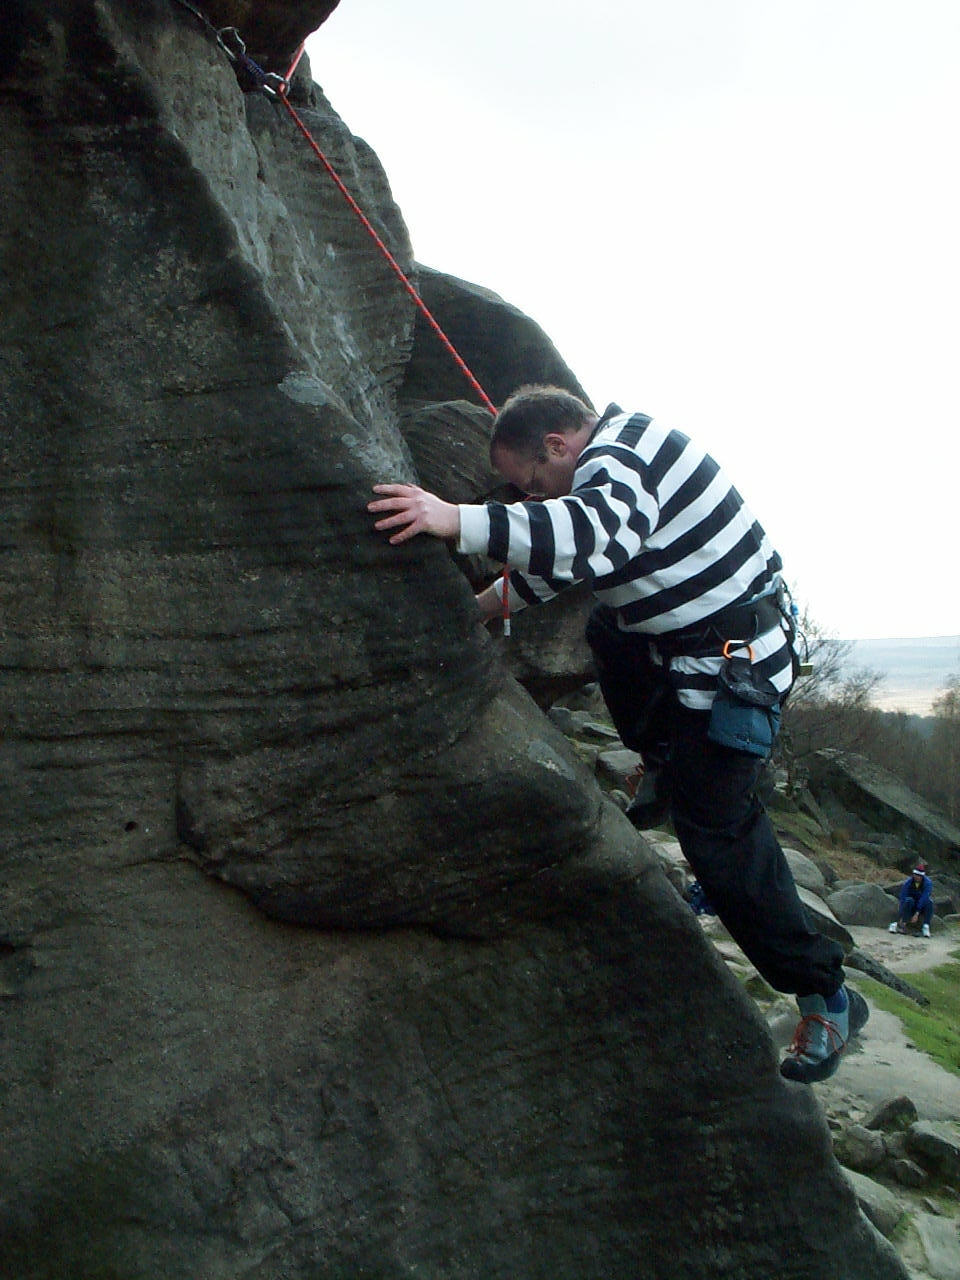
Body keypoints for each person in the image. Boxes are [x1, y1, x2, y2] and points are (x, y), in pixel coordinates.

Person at [369, 384, 868, 1083]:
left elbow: (591, 535)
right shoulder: (612, 463)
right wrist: (480, 608)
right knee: (609, 626)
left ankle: (825, 992)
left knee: (716, 834)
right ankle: (662, 762)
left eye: (533, 484)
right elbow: (570, 563)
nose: (534, 498)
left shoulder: (622, 456)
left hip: (735, 671)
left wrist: (454, 518)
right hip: (684, 654)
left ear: (557, 445)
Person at [889, 863, 934, 937]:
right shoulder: (908, 882)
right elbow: (903, 897)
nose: (917, 877)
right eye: (915, 875)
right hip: (910, 904)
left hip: (921, 905)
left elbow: (924, 897)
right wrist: (901, 914)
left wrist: (917, 912)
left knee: (929, 902)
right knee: (909, 900)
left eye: (919, 876)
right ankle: (901, 924)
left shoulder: (928, 883)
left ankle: (926, 926)